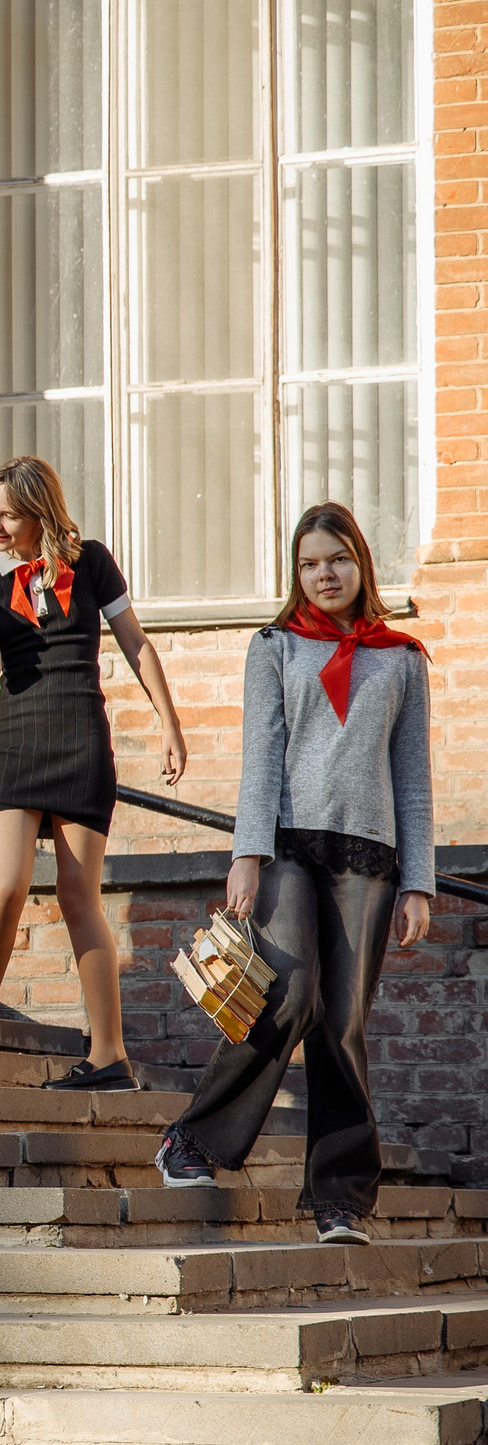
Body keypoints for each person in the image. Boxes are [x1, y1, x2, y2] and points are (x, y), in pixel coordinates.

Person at [154, 505, 434, 1246]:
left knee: (341, 1025)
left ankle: (339, 1198)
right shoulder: (274, 647)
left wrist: (420, 882)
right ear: (297, 572)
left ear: (360, 562)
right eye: (310, 564)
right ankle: (196, 1139)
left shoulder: (401, 659)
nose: (325, 574)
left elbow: (413, 780)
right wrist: (245, 852)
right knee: (292, 990)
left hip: (369, 857)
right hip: (286, 847)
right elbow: (260, 756)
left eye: (337, 559)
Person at [0, 455, 188, 1093]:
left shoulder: (92, 562)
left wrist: (168, 722)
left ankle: (109, 1057)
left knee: (80, 898)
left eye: (7, 514)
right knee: (9, 883)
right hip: (17, 742)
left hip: (79, 738)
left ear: (38, 513)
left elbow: (136, 642)